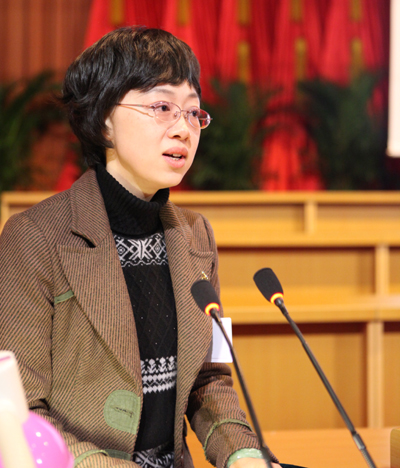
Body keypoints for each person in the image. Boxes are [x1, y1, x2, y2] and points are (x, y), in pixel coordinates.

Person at [0, 27, 286, 468]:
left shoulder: (198, 235)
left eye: (193, 112)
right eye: (162, 107)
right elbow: (23, 412)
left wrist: (243, 453)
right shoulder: (34, 238)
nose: (184, 129)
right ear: (103, 118)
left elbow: (210, 379)